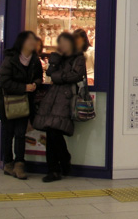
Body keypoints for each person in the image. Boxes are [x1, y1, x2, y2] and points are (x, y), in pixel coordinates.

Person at [33, 32, 86, 182]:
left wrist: (58, 76)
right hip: (52, 98)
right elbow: (50, 72)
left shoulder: (78, 58)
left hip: (66, 98)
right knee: (50, 133)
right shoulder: (57, 57)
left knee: (54, 132)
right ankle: (55, 168)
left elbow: (76, 75)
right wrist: (55, 61)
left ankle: (61, 162)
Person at [0, 31, 43, 180]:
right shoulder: (11, 59)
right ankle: (8, 163)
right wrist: (24, 87)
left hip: (25, 103)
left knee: (20, 134)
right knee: (8, 133)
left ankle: (19, 164)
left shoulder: (35, 60)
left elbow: (39, 78)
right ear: (22, 42)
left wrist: (35, 84)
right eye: (30, 40)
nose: (33, 43)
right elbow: (4, 81)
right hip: (9, 102)